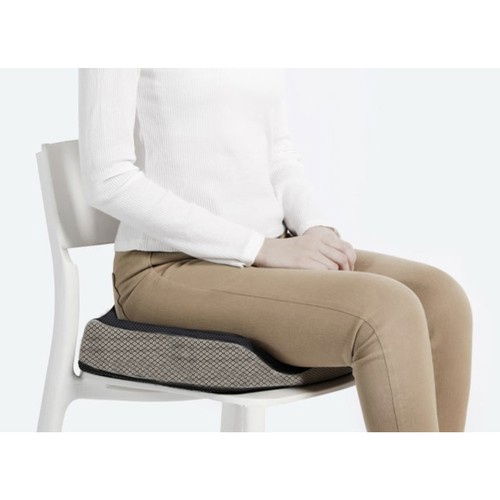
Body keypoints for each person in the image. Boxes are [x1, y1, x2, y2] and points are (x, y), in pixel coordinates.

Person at [78, 68, 472, 431]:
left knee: (439, 299)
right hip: (166, 268)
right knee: (386, 311)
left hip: (268, 252)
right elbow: (108, 180)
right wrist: (260, 249)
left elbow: (278, 155)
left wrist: (316, 228)